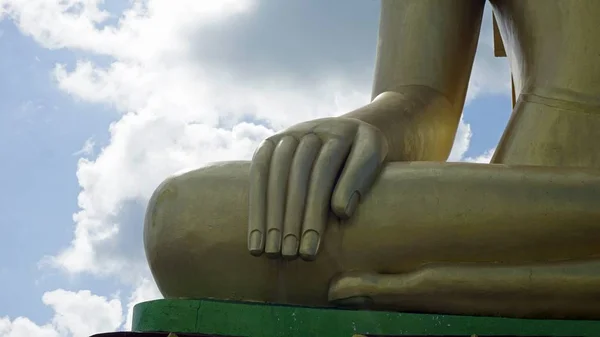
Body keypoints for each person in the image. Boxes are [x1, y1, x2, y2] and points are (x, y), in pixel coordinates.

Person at [144, 0, 600, 318]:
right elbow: (424, 97)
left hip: (559, 217)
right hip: (544, 205)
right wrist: (370, 127)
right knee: (186, 220)